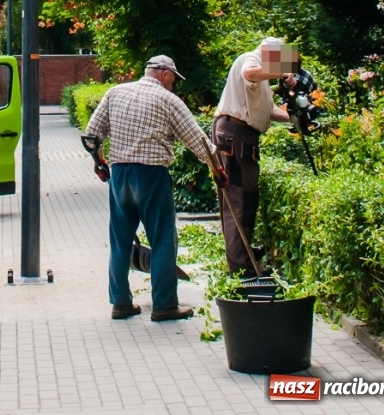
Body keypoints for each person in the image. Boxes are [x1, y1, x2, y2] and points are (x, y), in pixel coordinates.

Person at [84, 53, 222, 322]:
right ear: (165, 74)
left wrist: (99, 162)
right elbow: (198, 140)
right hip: (152, 175)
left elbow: (91, 134)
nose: (174, 85)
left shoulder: (115, 93)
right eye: (173, 80)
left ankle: (121, 303)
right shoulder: (169, 100)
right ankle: (164, 305)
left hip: (121, 173)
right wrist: (217, 169)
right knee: (162, 240)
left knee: (120, 239)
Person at [212, 36, 299, 274]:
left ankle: (243, 256)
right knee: (239, 199)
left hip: (242, 137)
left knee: (247, 198)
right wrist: (281, 71)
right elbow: (250, 73)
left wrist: (296, 118)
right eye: (280, 59)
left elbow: (268, 110)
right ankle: (241, 268)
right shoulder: (250, 59)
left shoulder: (261, 76)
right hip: (235, 136)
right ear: (271, 53)